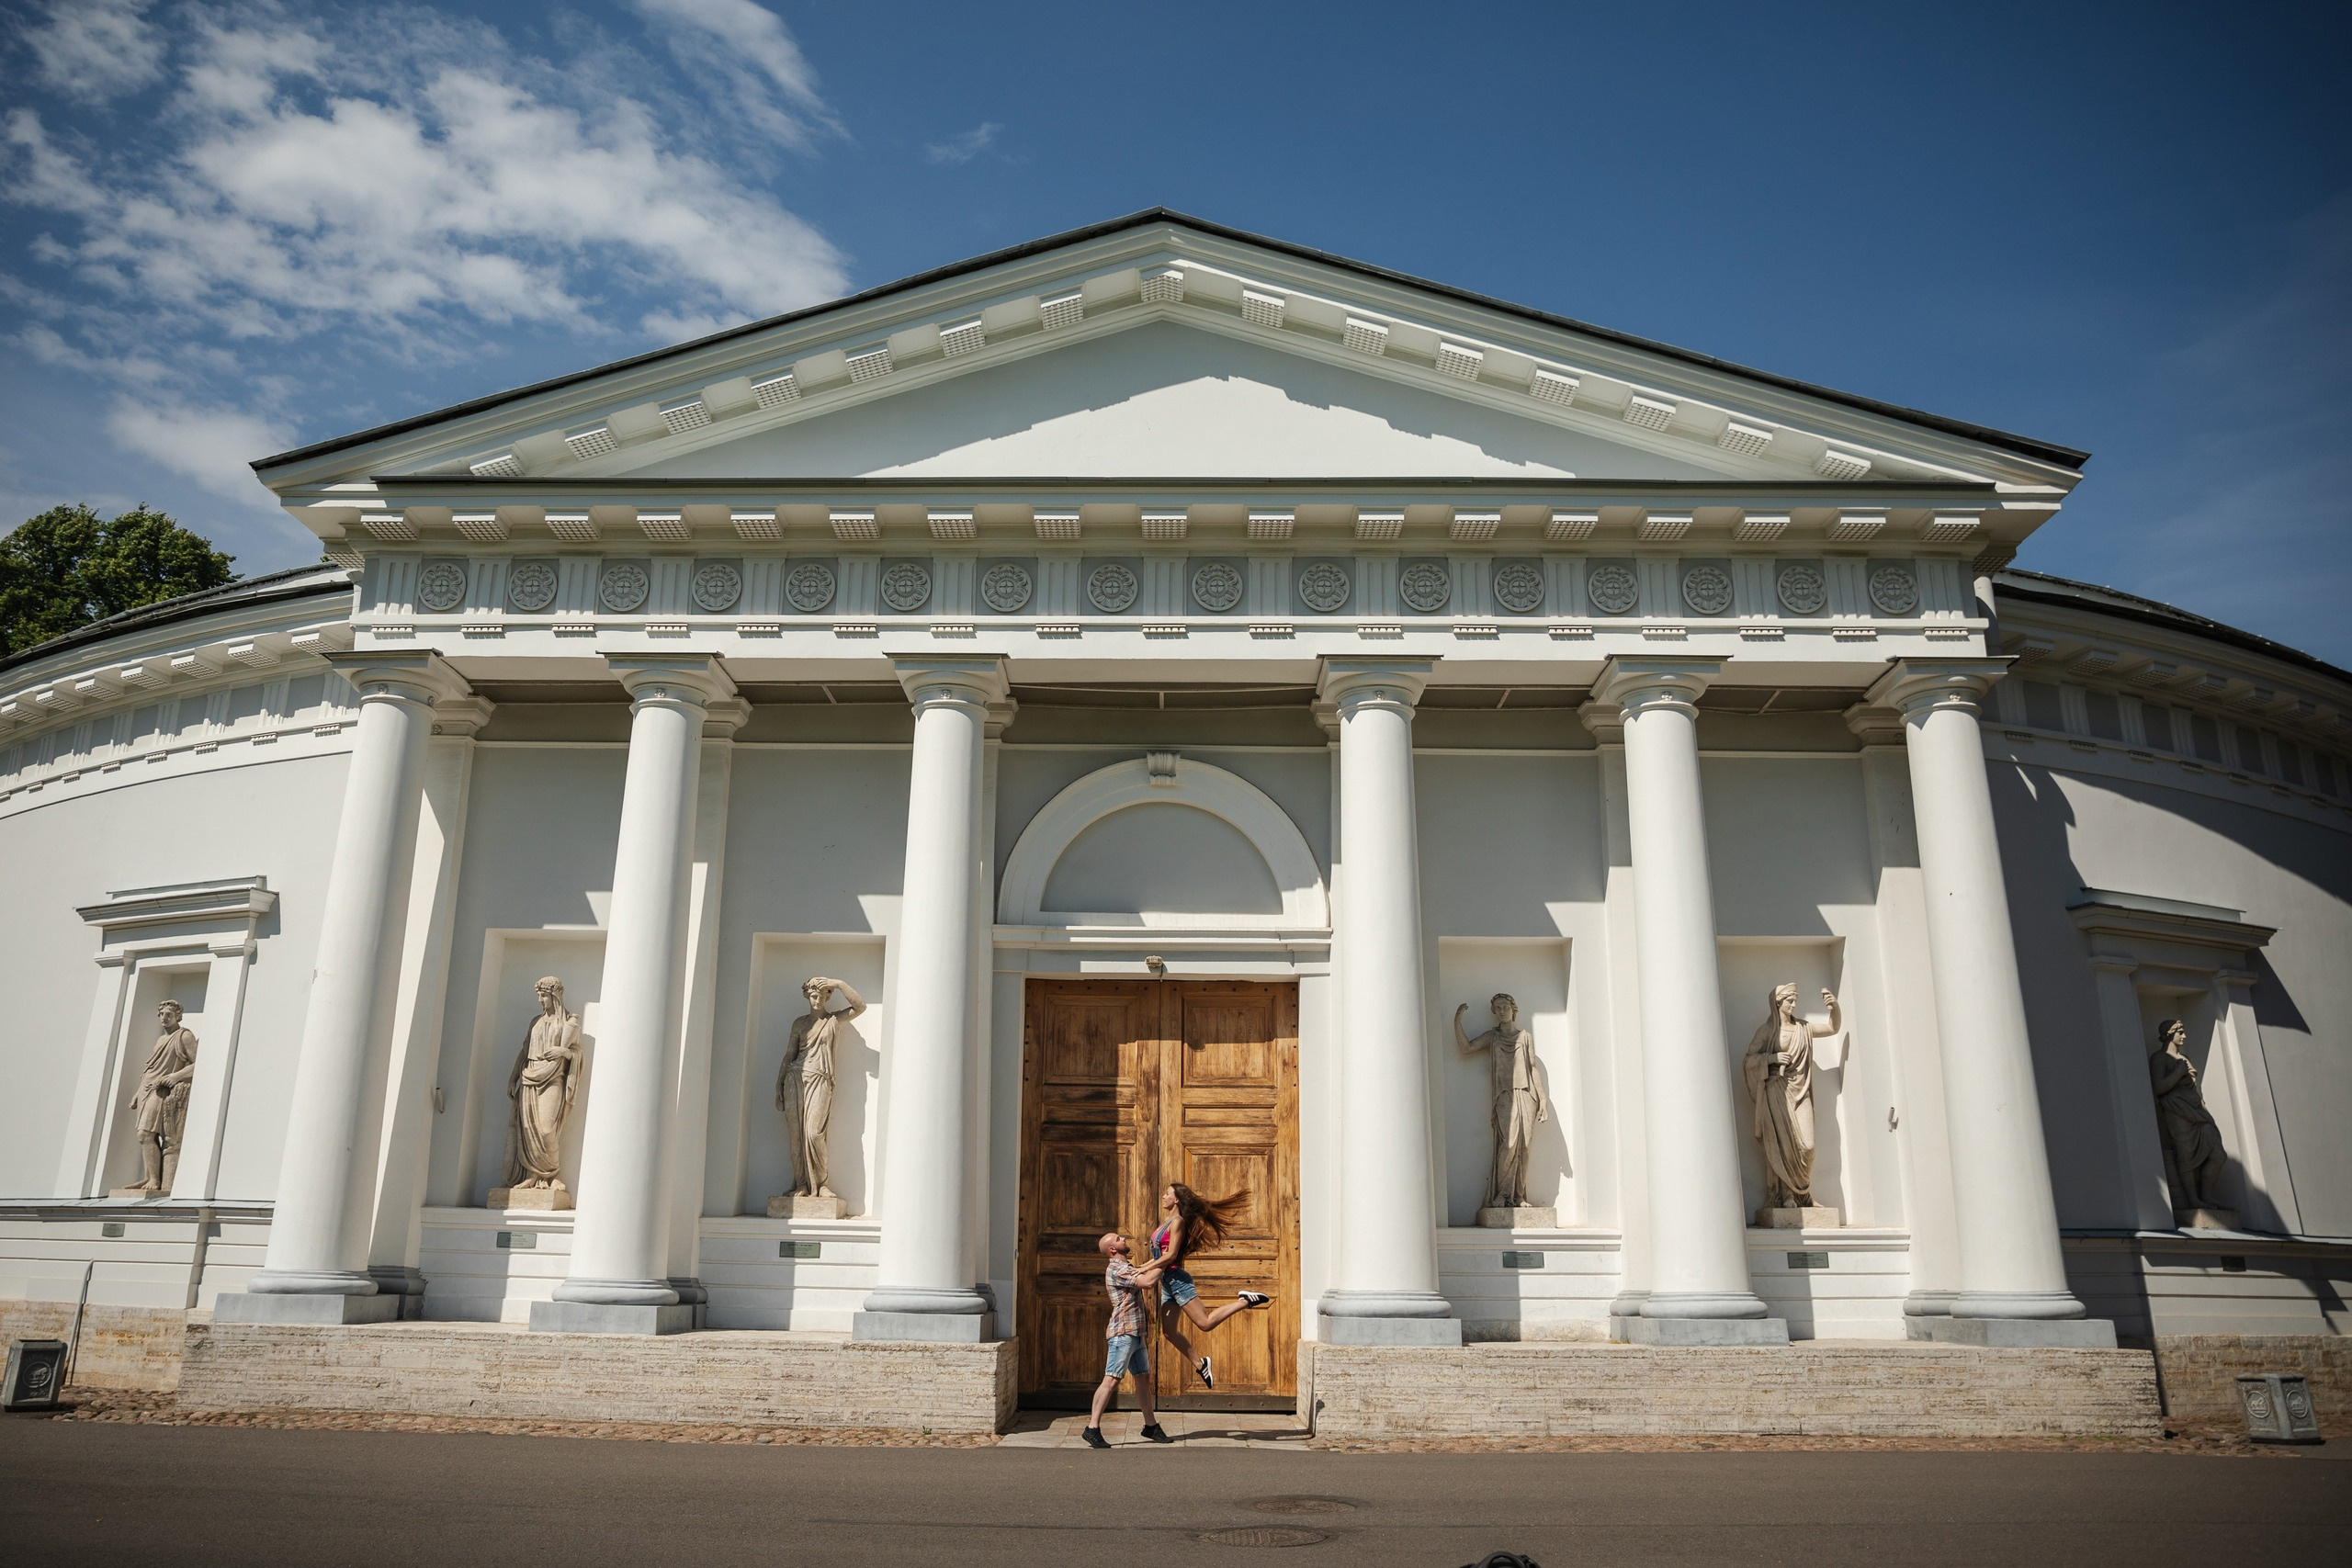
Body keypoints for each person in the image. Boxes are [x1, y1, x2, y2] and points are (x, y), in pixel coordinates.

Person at [1146, 1182, 1272, 1392]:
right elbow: (1158, 1256)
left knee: (1204, 1324)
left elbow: (1170, 1256)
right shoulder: (1165, 1223)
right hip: (1167, 1282)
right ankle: (1201, 1364)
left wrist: (1142, 1270)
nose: (1163, 1197)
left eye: (1167, 1194)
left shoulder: (1177, 1222)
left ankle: (1244, 1301)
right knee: (1168, 1332)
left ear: (1176, 1199)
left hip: (1177, 1280)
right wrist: (1143, 1267)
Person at [1083, 1231, 1173, 1449]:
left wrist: (1162, 1256)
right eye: (1118, 1239)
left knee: (1142, 1379)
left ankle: (1150, 1426)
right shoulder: (1116, 1268)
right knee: (1112, 1379)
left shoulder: (1127, 1266)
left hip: (1135, 1333)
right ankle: (1092, 1428)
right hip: (1123, 1333)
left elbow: (1146, 1269)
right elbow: (1148, 1281)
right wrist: (1170, 1258)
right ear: (1112, 1250)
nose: (1123, 1239)